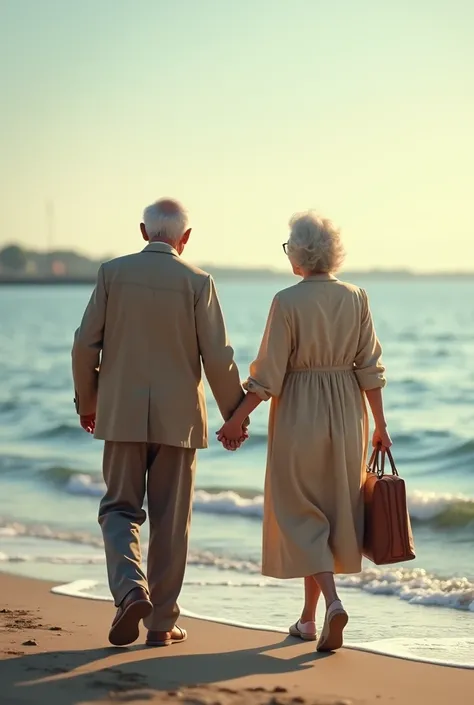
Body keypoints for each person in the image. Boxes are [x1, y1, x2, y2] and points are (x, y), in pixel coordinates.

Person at [72, 198, 247, 647]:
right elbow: (219, 357)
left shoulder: (112, 274)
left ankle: (131, 589)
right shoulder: (199, 281)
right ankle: (161, 623)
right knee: (171, 522)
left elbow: (83, 346)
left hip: (122, 415)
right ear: (184, 239)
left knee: (118, 509)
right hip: (180, 422)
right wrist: (235, 415)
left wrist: (89, 403)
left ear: (143, 231)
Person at [217, 211, 391, 652]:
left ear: (299, 252)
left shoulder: (287, 301)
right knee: (330, 511)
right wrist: (381, 427)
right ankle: (308, 620)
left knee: (299, 512)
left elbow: (270, 373)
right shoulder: (357, 297)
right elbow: (370, 368)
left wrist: (238, 416)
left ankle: (332, 604)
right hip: (350, 413)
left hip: (299, 412)